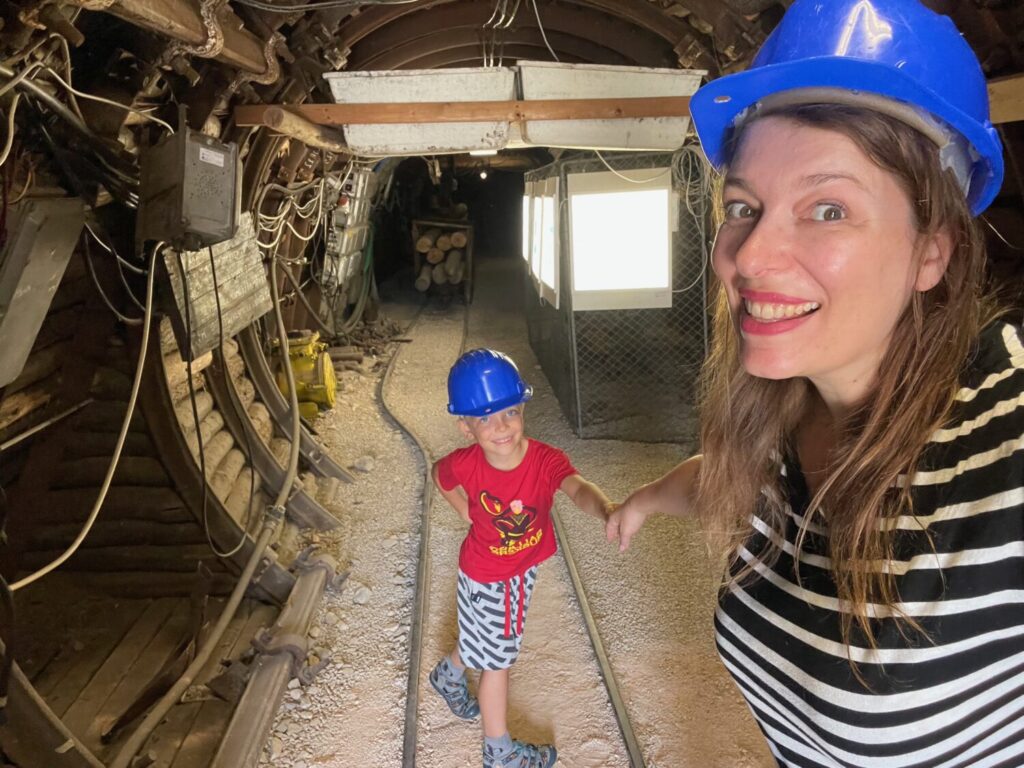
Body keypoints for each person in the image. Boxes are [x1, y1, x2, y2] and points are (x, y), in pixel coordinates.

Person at [606, 0, 1023, 765]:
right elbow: (749, 486)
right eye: (744, 207)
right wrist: (649, 499)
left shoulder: (1007, 449)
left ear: (933, 252)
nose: (751, 256)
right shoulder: (784, 412)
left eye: (827, 209)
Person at [430, 348, 615, 768]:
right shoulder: (465, 463)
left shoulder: (545, 460)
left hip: (494, 571)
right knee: (498, 664)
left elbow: (577, 488)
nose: (501, 427)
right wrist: (464, 510)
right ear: (465, 427)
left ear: (522, 407)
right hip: (495, 577)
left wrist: (606, 508)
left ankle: (449, 674)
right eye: (485, 419)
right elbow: (441, 475)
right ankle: (499, 754)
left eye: (510, 412)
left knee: (483, 636)